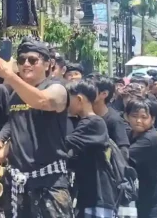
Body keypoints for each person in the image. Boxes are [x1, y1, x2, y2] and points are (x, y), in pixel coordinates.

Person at [0, 39, 72, 218]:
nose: (26, 64)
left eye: (32, 60)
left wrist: (9, 76)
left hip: (49, 183)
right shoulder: (16, 96)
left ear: (48, 64)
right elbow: (19, 133)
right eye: (21, 60)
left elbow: (42, 101)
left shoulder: (58, 88)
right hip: (18, 183)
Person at [65, 80, 116, 218]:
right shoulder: (85, 122)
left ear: (79, 99)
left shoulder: (93, 123)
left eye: (68, 99)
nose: (65, 104)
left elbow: (65, 143)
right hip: (88, 193)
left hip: (98, 194)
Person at [92, 75, 130, 159]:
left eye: (91, 89)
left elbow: (123, 151)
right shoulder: (85, 116)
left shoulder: (114, 119)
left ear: (104, 94)